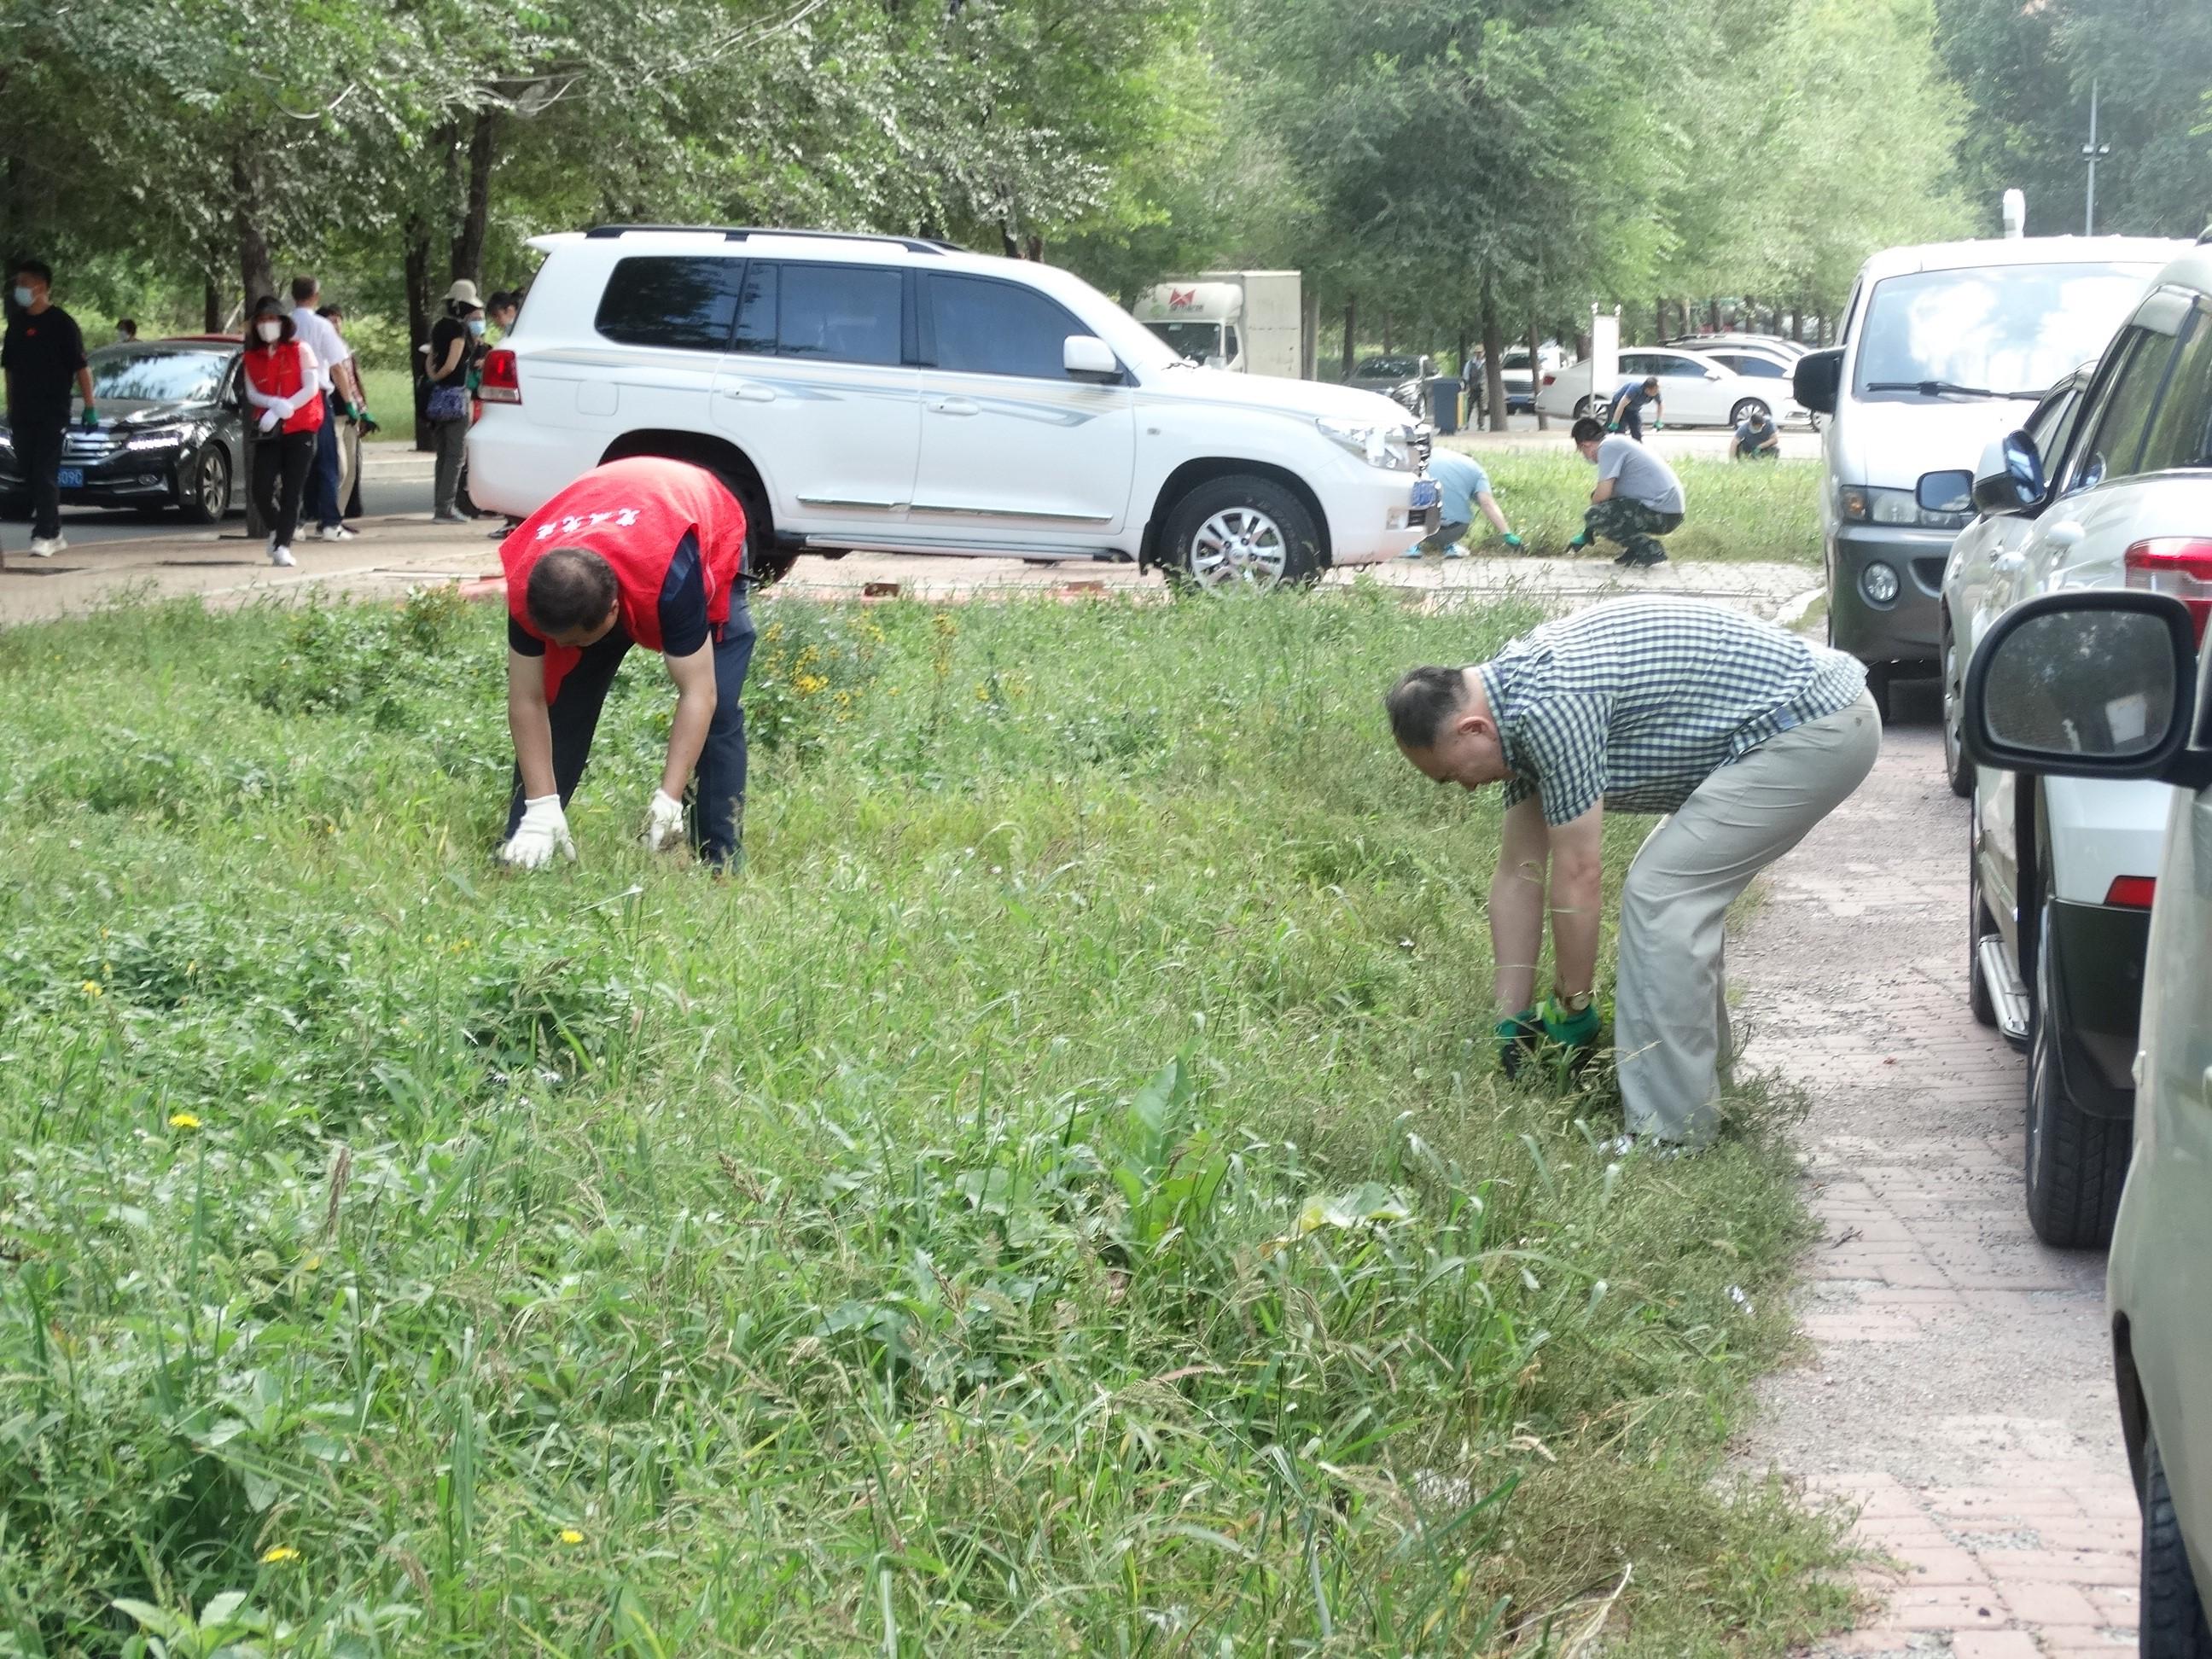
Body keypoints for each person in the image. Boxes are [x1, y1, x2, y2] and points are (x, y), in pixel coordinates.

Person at [1383, 597, 1880, 1148]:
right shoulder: (1514, 709)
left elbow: (1580, 874)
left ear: (1472, 729)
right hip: (1809, 721)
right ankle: (1701, 1100)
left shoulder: (1552, 705)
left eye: (1455, 775)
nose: (1468, 788)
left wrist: (1573, 1003)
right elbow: (1519, 873)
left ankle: (1670, 1135)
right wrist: (1513, 1020)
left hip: (1815, 725)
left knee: (1663, 895)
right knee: (1669, 893)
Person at [498, 455, 758, 870]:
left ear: (615, 611)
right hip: (606, 523)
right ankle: (528, 842)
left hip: (694, 515)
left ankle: (720, 859)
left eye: (579, 640)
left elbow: (699, 692)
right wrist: (540, 807)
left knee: (720, 705)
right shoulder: (531, 586)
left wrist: (669, 799)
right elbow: (527, 700)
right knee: (563, 697)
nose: (571, 648)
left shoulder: (673, 578)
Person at [3, 259, 95, 557]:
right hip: (23, 411)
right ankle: (54, 531)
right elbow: (10, 368)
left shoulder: (62, 324)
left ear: (40, 287)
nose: (19, 290)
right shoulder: (17, 324)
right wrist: (11, 403)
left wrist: (89, 406)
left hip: (53, 410)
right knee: (29, 470)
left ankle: (43, 534)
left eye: (23, 284)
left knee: (45, 470)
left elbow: (81, 367)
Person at [238, 294, 324, 568]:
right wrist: (272, 406)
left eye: (272, 319)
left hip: (301, 428)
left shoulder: (300, 349)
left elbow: (310, 387)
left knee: (292, 490)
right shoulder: (252, 357)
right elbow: (252, 392)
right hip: (270, 431)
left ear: (283, 322)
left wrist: (285, 406)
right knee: (260, 489)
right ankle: (278, 529)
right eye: (261, 320)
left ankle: (282, 545)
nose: (267, 325)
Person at [288, 275, 367, 542]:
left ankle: (296, 522)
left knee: (297, 461)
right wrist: (350, 403)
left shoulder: (286, 324)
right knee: (327, 461)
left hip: (289, 398)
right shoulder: (322, 326)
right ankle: (330, 522)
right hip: (316, 397)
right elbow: (337, 366)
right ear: (316, 296)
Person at [1565, 416, 1685, 568]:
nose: (1584, 455)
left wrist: (1589, 528)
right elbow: (1605, 498)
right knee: (1600, 507)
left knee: (1594, 514)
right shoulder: (1616, 443)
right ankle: (1637, 549)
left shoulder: (1607, 447)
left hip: (1663, 513)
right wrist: (1589, 529)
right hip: (1667, 510)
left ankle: (1649, 549)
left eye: (1582, 450)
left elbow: (1602, 495)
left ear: (1586, 444)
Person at [1398, 448, 1523, 560]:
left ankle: (1411, 546)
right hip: (1455, 530)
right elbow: (1487, 503)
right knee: (1458, 512)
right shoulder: (1477, 471)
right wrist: (1507, 534)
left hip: (1422, 529)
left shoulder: (1432, 454)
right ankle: (1450, 546)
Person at [427, 281, 483, 524]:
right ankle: (446, 507)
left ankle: (439, 504)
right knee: (455, 455)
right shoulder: (459, 331)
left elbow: (431, 358)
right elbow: (452, 363)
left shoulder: (439, 326)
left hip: (438, 397)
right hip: (456, 396)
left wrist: (433, 377)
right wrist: (443, 375)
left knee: (442, 453)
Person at [316, 304, 375, 519]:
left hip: (350, 417)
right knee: (337, 468)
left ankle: (337, 517)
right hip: (331, 414)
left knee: (351, 469)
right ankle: (326, 515)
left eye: (338, 320)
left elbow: (352, 382)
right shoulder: (319, 349)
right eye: (330, 320)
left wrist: (363, 410)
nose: (336, 325)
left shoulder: (345, 348)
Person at [1609, 375, 1662, 440]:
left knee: (1637, 431)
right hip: (1619, 406)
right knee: (1620, 432)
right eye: (1655, 390)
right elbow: (1621, 405)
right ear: (1648, 389)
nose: (1657, 392)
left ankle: (1637, 446)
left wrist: (1658, 421)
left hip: (1634, 409)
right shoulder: (1635, 389)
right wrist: (1615, 423)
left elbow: (1660, 404)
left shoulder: (1655, 392)